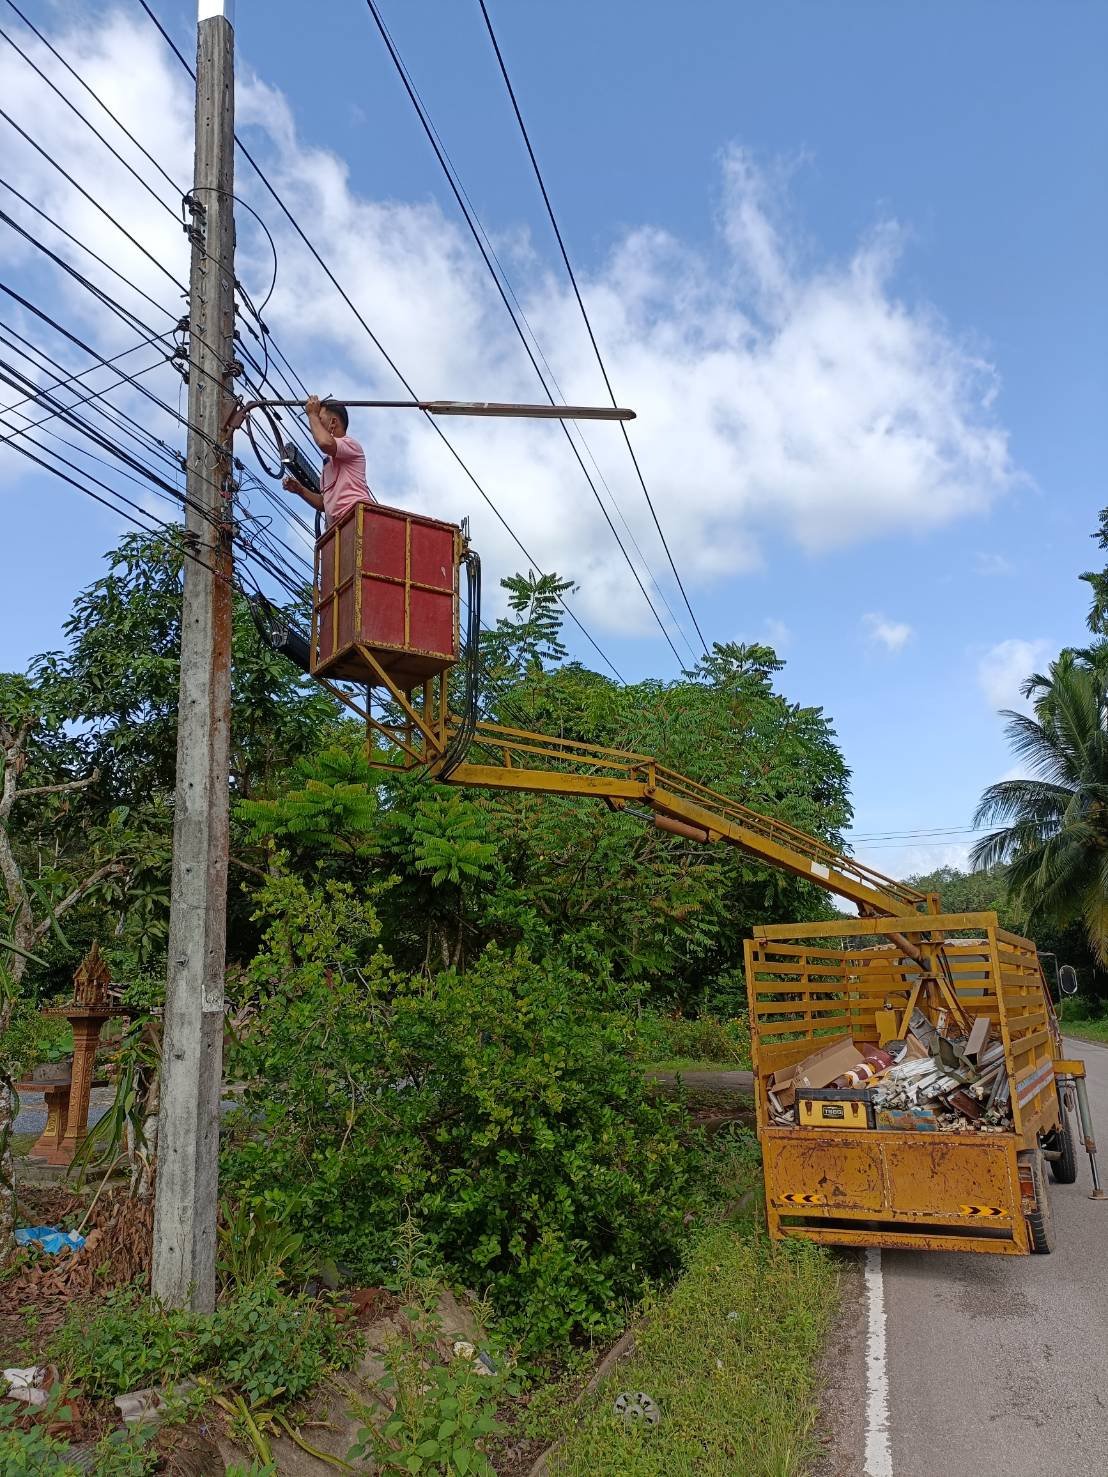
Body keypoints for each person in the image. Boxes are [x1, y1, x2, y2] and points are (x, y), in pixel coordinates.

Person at [282, 395, 376, 526]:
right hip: (339, 527)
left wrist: (312, 415)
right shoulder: (328, 463)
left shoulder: (351, 445)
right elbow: (324, 503)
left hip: (359, 517)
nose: (315, 425)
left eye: (320, 420)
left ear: (333, 423)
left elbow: (324, 442)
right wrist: (300, 490)